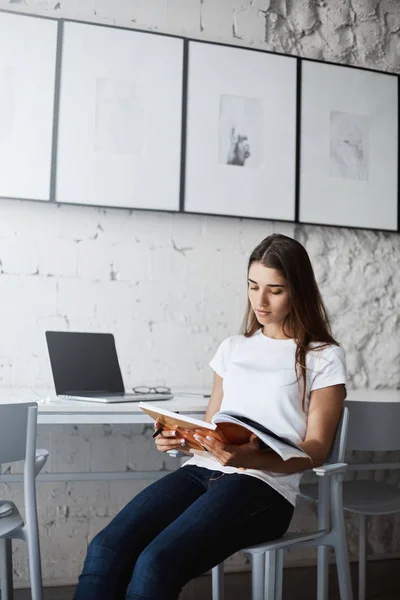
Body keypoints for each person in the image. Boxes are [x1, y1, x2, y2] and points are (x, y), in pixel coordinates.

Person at [73, 233, 347, 600]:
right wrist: (178, 439)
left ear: (298, 290)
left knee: (156, 562)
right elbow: (212, 426)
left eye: (275, 290)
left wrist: (253, 458)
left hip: (265, 487)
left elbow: (316, 450)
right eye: (253, 286)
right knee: (106, 548)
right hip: (201, 472)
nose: (260, 300)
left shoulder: (322, 357)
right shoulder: (232, 349)